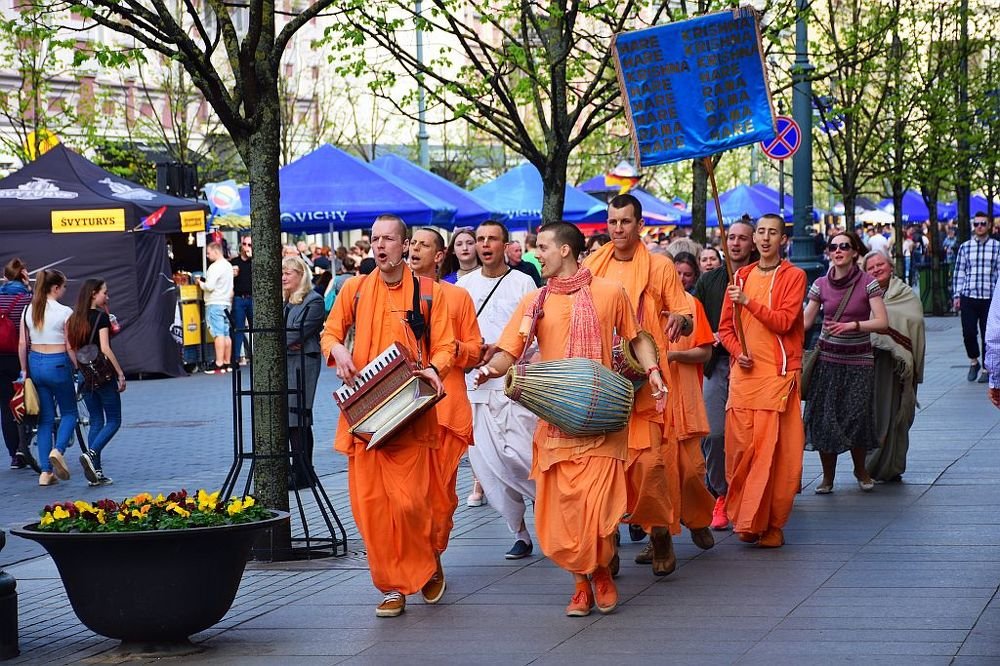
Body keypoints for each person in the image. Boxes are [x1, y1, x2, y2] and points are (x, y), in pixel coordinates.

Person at [477, 221, 657, 616]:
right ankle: (580, 584)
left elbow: (636, 337)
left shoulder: (610, 292)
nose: (535, 254)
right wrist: (492, 369)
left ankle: (602, 574)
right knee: (564, 511)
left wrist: (654, 369)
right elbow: (511, 348)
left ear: (564, 250)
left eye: (541, 247)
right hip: (556, 420)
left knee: (599, 506)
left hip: (604, 416)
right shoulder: (535, 302)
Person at [321, 214, 454, 618]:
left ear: (406, 245)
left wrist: (437, 367)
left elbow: (446, 344)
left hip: (410, 411)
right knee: (372, 509)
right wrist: (339, 350)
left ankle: (424, 561)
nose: (380, 246)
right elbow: (330, 332)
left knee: (413, 504)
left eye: (389, 239)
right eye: (375, 239)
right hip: (365, 415)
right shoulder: (355, 290)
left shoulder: (429, 293)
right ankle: (393, 587)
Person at [584, 193, 695, 577]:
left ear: (639, 225)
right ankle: (608, 539)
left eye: (625, 222)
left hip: (647, 378)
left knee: (650, 465)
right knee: (606, 467)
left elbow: (682, 308)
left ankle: (660, 530)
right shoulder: (592, 265)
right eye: (612, 222)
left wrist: (680, 321)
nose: (618, 229)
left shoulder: (660, 266)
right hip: (604, 380)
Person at [719, 214, 807, 547]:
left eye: (773, 233)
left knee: (775, 455)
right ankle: (746, 518)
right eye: (761, 232)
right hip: (744, 377)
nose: (765, 238)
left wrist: (749, 302)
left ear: (783, 239)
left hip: (777, 375)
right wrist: (737, 349)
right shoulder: (738, 275)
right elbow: (725, 328)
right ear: (754, 238)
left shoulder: (794, 276)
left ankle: (771, 524)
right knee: (741, 452)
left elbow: (785, 321)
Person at [458, 221, 538, 558]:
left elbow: (533, 333)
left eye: (492, 238)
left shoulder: (524, 283)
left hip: (515, 385)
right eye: (480, 239)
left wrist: (503, 356)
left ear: (506, 244)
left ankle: (550, 511)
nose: (485, 244)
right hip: (475, 386)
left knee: (521, 457)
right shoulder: (464, 285)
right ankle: (519, 532)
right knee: (491, 467)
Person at [409, 228, 483, 580]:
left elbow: (474, 350)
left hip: (445, 409)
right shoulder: (389, 297)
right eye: (412, 244)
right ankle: (416, 556)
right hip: (402, 411)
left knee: (441, 494)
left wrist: (450, 349)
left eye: (424, 245)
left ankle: (432, 552)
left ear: (440, 256)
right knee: (407, 494)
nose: (415, 250)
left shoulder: (457, 297)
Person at [803, 230, 889, 494]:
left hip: (859, 361)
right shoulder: (820, 284)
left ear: (854, 252)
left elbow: (882, 323)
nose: (837, 250)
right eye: (833, 246)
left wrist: (853, 325)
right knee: (825, 418)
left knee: (856, 417)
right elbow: (806, 321)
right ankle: (827, 477)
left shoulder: (867, 283)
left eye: (844, 246)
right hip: (828, 361)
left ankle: (860, 469)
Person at [693, 220, 758, 530]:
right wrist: (709, 334)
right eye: (730, 237)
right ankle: (721, 492)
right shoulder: (709, 281)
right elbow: (697, 321)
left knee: (752, 437)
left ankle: (751, 493)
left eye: (742, 238)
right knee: (714, 432)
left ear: (753, 243)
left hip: (755, 365)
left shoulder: (763, 277)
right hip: (718, 364)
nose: (735, 243)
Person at [862, 251, 925, 483]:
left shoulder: (906, 294)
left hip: (896, 366)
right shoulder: (863, 293)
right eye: (871, 267)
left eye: (881, 265)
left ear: (891, 267)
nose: (877, 270)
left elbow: (915, 321)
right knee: (873, 414)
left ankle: (892, 465)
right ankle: (869, 464)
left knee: (895, 414)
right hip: (868, 361)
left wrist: (890, 339)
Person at [18, 269, 77, 486]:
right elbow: (70, 346)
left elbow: (23, 344)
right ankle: (58, 450)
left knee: (44, 419)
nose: (64, 290)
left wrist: (25, 372)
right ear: (55, 288)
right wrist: (78, 364)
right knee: (70, 412)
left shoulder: (29, 310)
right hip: (58, 362)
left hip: (35, 363)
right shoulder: (65, 312)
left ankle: (45, 472)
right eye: (64, 286)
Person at [67, 279, 124, 486]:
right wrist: (119, 373)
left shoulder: (73, 319)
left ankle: (96, 472)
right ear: (93, 294)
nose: (107, 297)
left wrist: (80, 369)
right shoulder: (101, 318)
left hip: (85, 376)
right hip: (102, 374)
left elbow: (71, 348)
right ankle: (91, 455)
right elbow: (105, 348)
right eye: (104, 293)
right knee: (114, 420)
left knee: (96, 420)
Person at [282, 256, 327, 490]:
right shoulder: (285, 301)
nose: (283, 277)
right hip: (287, 361)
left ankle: (303, 472)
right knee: (291, 420)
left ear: (301, 274)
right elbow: (287, 335)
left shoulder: (314, 300)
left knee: (299, 417)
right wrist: (288, 338)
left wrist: (287, 338)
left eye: (288, 273)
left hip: (303, 363)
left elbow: (296, 334)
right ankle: (302, 471)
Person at [953, 212, 1000, 383]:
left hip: (990, 297)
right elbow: (959, 272)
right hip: (969, 295)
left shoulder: (997, 247)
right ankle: (974, 361)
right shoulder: (965, 247)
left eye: (982, 223)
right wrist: (957, 295)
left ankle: (988, 368)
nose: (979, 227)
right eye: (976, 224)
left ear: (989, 226)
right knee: (968, 332)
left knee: (988, 334)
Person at [0, 258, 32, 470]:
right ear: (22, 276)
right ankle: (23, 447)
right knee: (27, 400)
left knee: (5, 406)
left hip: (0, 357)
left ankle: (14, 454)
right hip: (20, 357)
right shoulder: (27, 299)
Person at [198, 241, 234, 374]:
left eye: (208, 252)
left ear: (216, 251)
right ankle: (227, 361)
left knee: (218, 333)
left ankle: (218, 362)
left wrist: (200, 283)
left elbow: (209, 286)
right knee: (226, 333)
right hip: (226, 302)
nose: (207, 255)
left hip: (214, 302)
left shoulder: (214, 267)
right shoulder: (228, 266)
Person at [231, 234, 253, 365]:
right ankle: (236, 357)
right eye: (244, 244)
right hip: (239, 298)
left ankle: (256, 355)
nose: (246, 247)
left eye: (249, 245)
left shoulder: (255, 262)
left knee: (255, 327)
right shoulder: (235, 262)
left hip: (252, 298)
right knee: (238, 328)